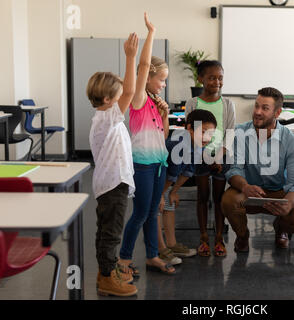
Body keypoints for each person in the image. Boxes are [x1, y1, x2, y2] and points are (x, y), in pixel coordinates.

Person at [119, 14, 176, 276]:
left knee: (152, 212)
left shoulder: (154, 102)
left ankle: (152, 255)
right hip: (142, 165)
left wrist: (164, 115)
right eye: (161, 80)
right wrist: (151, 33)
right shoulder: (139, 99)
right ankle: (124, 259)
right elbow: (142, 66)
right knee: (140, 213)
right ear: (149, 78)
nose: (163, 85)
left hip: (158, 163)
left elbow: (162, 136)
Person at [221, 87, 294, 252]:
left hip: (279, 193)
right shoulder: (240, 132)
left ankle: (281, 228)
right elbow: (234, 170)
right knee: (228, 201)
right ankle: (242, 236)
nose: (257, 112)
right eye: (256, 106)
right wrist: (245, 187)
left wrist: (289, 204)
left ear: (277, 113)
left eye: (265, 108)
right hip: (248, 191)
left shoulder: (291, 140)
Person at [87, 32, 139, 296]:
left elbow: (128, 92)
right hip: (112, 186)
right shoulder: (106, 118)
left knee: (105, 232)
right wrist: (130, 58)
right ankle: (108, 278)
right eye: (118, 98)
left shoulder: (106, 117)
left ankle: (104, 272)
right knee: (111, 234)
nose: (124, 101)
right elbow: (130, 90)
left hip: (111, 183)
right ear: (108, 100)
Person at [185, 60, 236, 257]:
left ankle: (219, 239)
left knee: (219, 199)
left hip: (221, 157)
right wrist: (204, 155)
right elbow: (190, 133)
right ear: (201, 79)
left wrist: (219, 157)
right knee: (202, 198)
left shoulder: (227, 104)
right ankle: (204, 238)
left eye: (220, 77)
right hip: (199, 157)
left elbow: (229, 134)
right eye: (212, 77)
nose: (217, 81)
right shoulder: (193, 103)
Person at [157, 109, 218, 262]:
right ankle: (160, 249)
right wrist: (160, 195)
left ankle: (171, 244)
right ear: (189, 128)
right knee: (156, 211)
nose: (206, 138)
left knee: (169, 205)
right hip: (155, 178)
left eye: (210, 134)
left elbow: (188, 171)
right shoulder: (179, 144)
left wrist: (173, 192)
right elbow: (172, 173)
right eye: (203, 132)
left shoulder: (198, 146)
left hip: (167, 181)